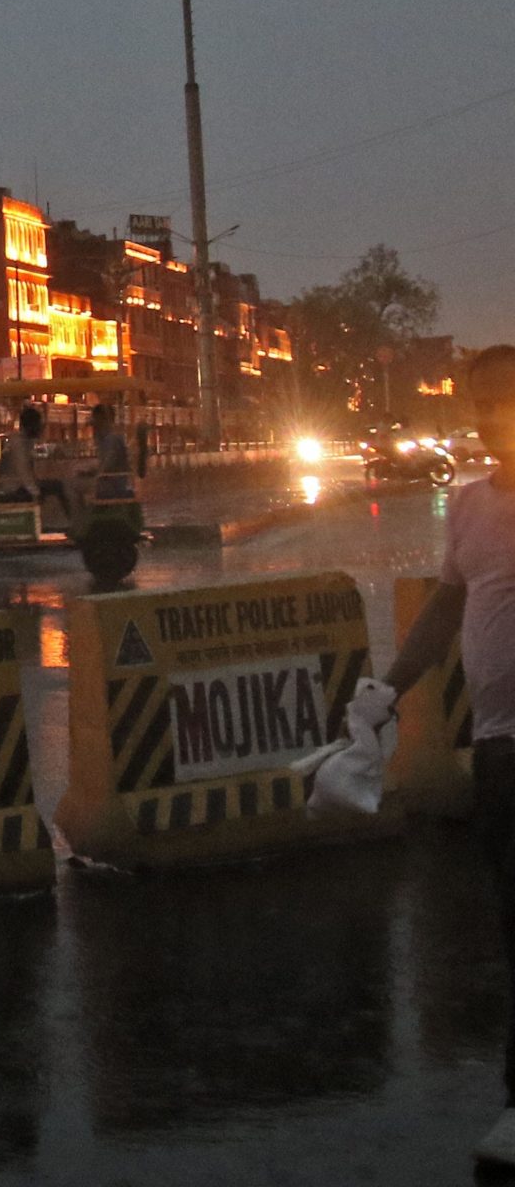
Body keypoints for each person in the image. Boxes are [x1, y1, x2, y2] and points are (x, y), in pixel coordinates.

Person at [375, 343, 515, 1165]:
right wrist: (385, 690)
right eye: (486, 403)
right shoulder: (470, 505)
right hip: (501, 746)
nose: (499, 418)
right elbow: (445, 611)